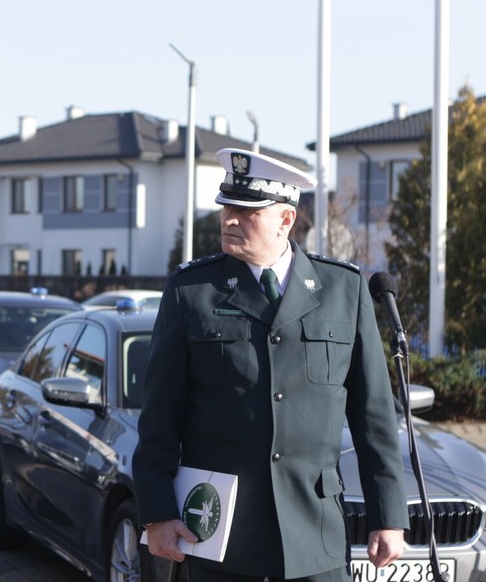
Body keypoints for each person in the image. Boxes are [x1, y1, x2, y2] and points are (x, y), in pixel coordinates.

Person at [133, 147, 409, 582]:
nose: (228, 219)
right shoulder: (193, 291)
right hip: (218, 536)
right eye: (226, 207)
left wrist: (388, 515)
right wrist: (158, 514)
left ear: (286, 219)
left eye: (246, 212)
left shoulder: (343, 289)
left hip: (314, 534)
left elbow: (373, 416)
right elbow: (159, 417)